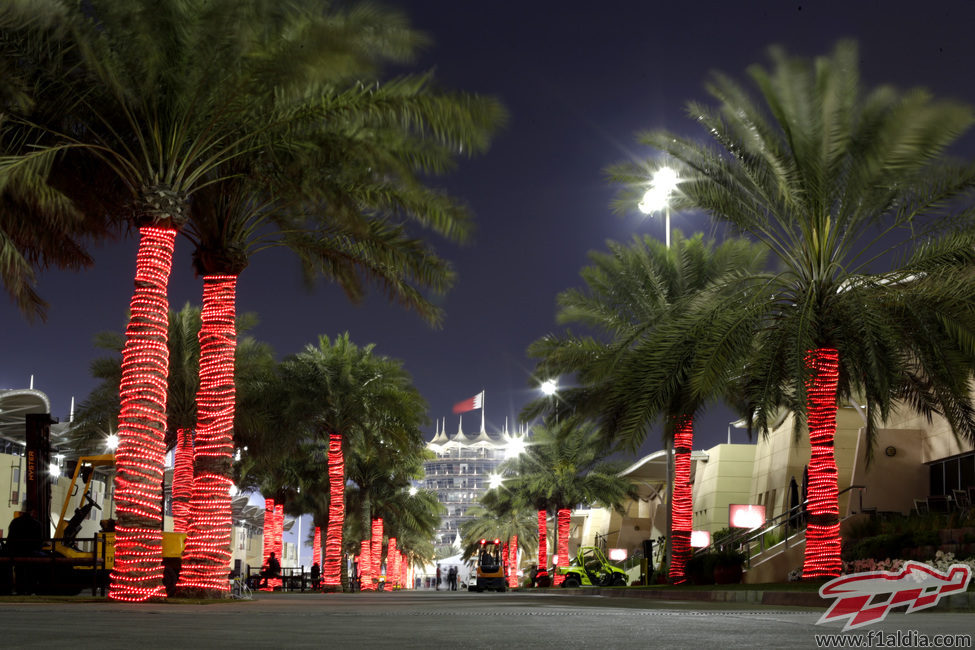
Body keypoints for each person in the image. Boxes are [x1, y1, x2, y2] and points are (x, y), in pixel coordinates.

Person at [5, 502, 44, 595]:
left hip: (17, 552)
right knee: (32, 569)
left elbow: (9, 540)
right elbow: (39, 543)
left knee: (19, 570)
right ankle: (31, 588)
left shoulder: (15, 522)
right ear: (32, 511)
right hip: (32, 553)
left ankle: (19, 589)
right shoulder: (37, 524)